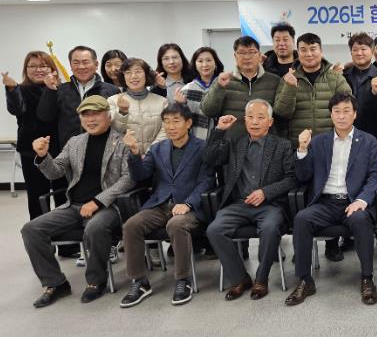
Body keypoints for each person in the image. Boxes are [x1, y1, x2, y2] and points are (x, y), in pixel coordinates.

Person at [21, 95, 135, 307]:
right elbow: (55, 172)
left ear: (108, 116)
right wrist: (44, 156)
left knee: (95, 227)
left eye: (96, 114)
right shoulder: (75, 142)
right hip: (73, 206)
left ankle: (96, 281)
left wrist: (98, 201)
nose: (90, 119)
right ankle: (55, 283)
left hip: (108, 207)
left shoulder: (123, 141)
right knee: (31, 229)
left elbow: (129, 179)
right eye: (85, 115)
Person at [285, 93, 377, 306]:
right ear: (331, 115)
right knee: (302, 219)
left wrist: (362, 201)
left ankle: (367, 278)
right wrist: (302, 149)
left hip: (353, 201)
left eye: (346, 111)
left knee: (360, 220)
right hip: (325, 202)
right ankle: (305, 280)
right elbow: (303, 176)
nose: (341, 116)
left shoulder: (368, 141)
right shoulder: (319, 142)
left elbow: (375, 176)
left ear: (355, 114)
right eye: (337, 111)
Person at [119, 103, 214, 308]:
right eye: (167, 122)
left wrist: (188, 203)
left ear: (188, 123)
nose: (171, 126)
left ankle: (183, 280)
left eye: (176, 121)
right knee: (131, 225)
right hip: (160, 204)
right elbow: (141, 176)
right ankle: (139, 281)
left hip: (189, 206)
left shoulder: (202, 147)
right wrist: (134, 152)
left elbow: (207, 181)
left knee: (176, 224)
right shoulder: (157, 148)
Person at [203, 99, 297, 301]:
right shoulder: (235, 144)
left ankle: (261, 279)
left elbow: (292, 179)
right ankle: (240, 278)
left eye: (261, 117)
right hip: (239, 204)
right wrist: (219, 131)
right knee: (214, 229)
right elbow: (209, 159)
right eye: (251, 117)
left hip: (270, 205)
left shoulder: (282, 145)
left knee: (270, 228)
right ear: (245, 120)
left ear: (270, 122)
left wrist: (266, 192)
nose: (255, 122)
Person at [4, 52, 67, 220]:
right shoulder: (21, 90)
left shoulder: (61, 89)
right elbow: (16, 109)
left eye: (43, 66)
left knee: (64, 194)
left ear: (52, 69)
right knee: (37, 196)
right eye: (32, 66)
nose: (38, 70)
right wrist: (11, 89)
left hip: (60, 149)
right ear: (26, 69)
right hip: (31, 151)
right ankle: (40, 234)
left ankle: (65, 235)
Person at [273, 33, 352, 148]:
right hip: (298, 146)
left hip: (330, 145)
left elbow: (349, 109)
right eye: (303, 50)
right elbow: (282, 113)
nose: (308, 54)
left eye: (313, 49)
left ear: (321, 51)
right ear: (298, 53)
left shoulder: (336, 78)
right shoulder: (288, 78)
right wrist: (290, 87)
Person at [37, 45, 120, 148]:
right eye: (76, 63)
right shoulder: (61, 90)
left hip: (102, 149)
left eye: (85, 62)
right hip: (68, 151)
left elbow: (117, 124)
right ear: (71, 66)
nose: (81, 67)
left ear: (96, 64)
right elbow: (45, 116)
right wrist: (50, 91)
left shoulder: (112, 90)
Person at [201, 36, 281, 141]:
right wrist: (219, 87)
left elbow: (282, 115)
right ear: (235, 56)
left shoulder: (274, 81)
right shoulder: (223, 80)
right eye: (242, 53)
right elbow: (208, 111)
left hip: (265, 144)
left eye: (252, 52)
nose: (247, 57)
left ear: (259, 55)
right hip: (232, 143)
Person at [107, 58, 168, 156]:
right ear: (123, 76)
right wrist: (122, 112)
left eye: (138, 71)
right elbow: (114, 132)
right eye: (128, 72)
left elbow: (165, 130)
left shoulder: (162, 101)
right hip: (124, 157)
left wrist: (150, 154)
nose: (133, 76)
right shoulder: (113, 101)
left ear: (146, 74)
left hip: (155, 156)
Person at [342, 32, 377, 137]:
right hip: (346, 133)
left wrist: (375, 94)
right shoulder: (342, 76)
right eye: (355, 50)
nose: (359, 53)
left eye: (363, 49)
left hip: (374, 134)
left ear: (372, 51)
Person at [177, 47, 223, 141]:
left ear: (215, 63)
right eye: (200, 61)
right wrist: (181, 105)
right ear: (195, 65)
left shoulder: (224, 86)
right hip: (195, 141)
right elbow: (181, 120)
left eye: (208, 60)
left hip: (221, 140)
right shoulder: (186, 90)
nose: (205, 64)